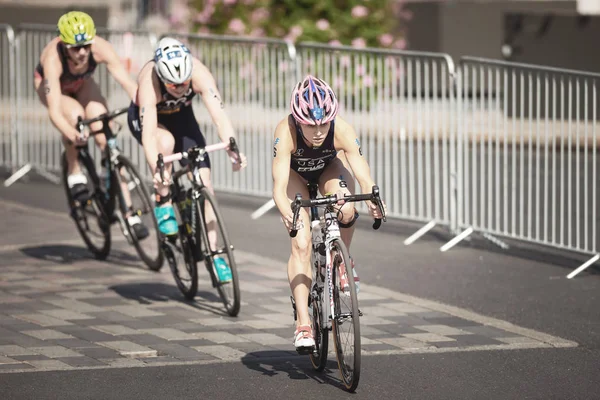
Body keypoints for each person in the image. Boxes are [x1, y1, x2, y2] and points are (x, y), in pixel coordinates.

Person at [272, 75, 386, 351]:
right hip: (296, 177)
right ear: (298, 120)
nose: (319, 131)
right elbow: (279, 186)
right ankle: (303, 324)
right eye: (311, 125)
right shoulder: (285, 132)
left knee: (347, 207)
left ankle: (340, 262)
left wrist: (372, 194)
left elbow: (360, 167)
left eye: (324, 123)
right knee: (301, 244)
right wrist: (287, 211)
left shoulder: (343, 129)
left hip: (328, 170)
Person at [127, 37, 247, 283]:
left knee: (205, 182)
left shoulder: (199, 72)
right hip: (151, 123)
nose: (181, 88)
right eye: (173, 85)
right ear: (162, 77)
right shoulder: (149, 81)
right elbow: (149, 136)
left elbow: (219, 116)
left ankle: (214, 253)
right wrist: (157, 169)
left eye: (184, 83)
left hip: (182, 119)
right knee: (165, 144)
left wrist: (233, 148)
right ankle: (163, 200)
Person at [34, 10, 149, 239]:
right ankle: (75, 172)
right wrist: (71, 133)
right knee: (75, 117)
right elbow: (55, 111)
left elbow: (127, 82)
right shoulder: (52, 59)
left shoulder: (100, 48)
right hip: (52, 89)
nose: (83, 52)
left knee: (105, 133)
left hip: (81, 84)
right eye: (76, 48)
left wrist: (146, 109)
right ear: (65, 46)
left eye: (86, 45)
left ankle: (129, 214)